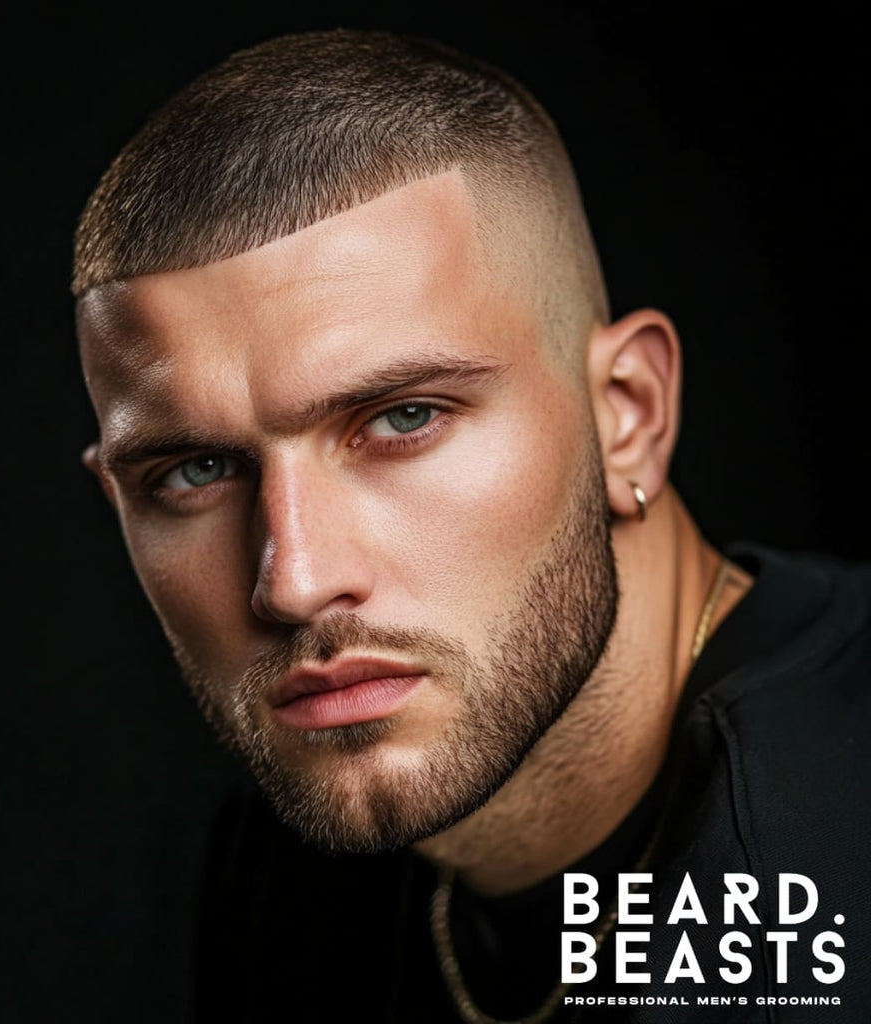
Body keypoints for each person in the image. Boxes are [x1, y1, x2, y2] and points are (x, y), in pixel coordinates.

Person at [71, 29, 870, 1023]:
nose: (293, 580)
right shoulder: (291, 862)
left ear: (628, 415)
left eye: (402, 418)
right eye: (194, 471)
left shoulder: (819, 874)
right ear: (117, 502)